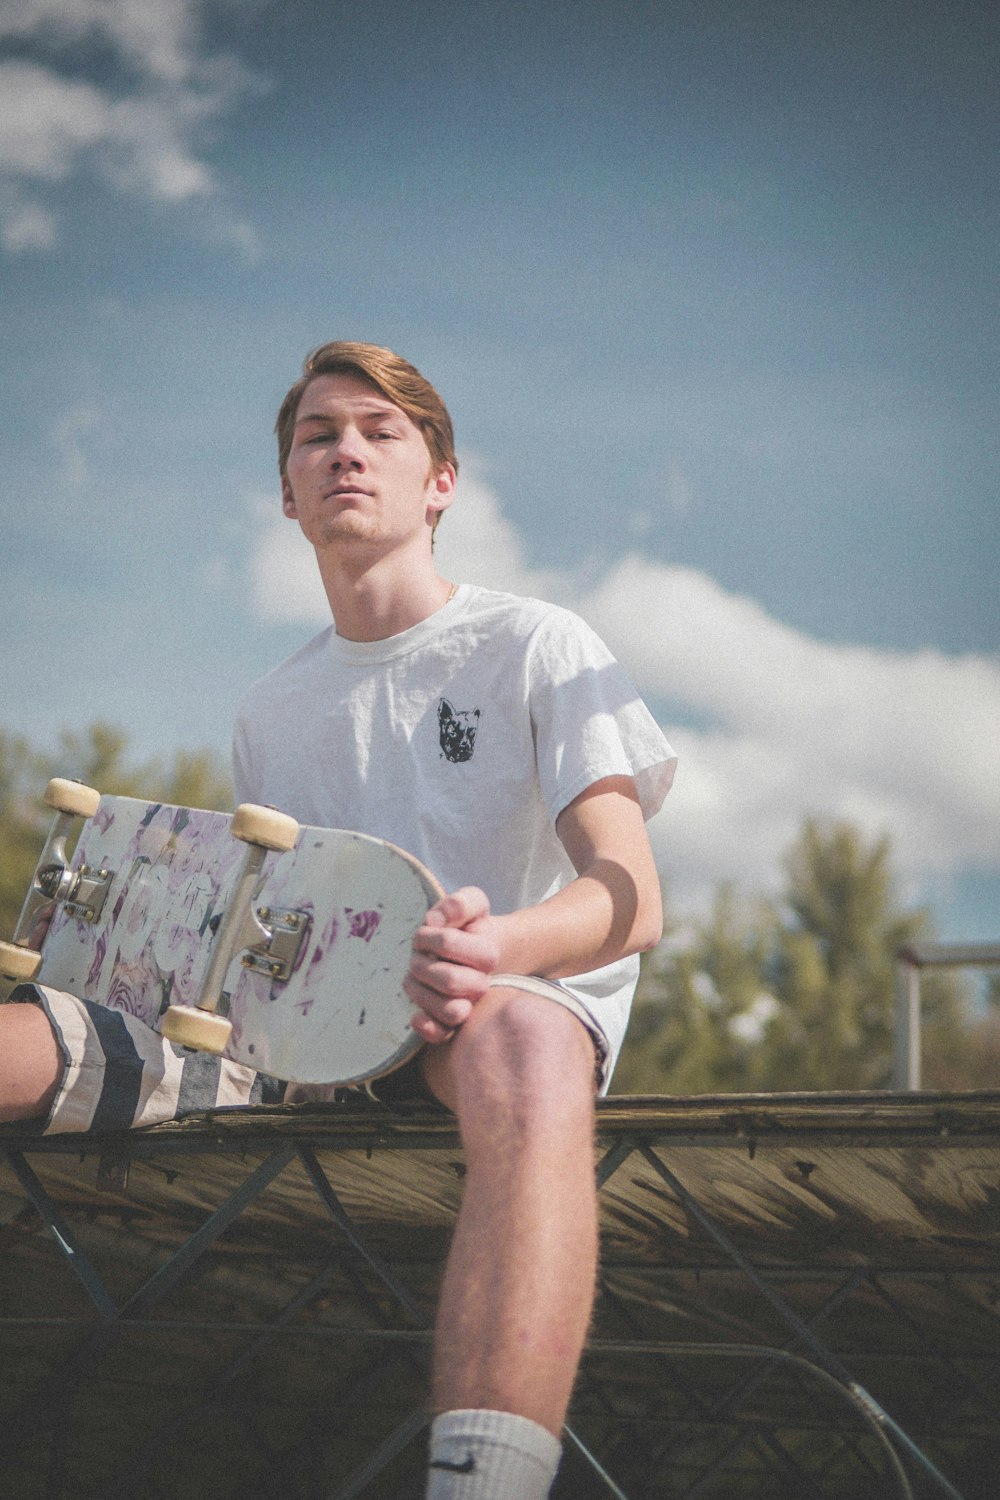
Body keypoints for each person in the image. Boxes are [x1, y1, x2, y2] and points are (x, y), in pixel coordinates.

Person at [1, 342, 676, 1499]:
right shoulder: (272, 709)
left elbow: (630, 895)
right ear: (286, 490)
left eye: (379, 429)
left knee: (522, 1038)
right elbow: (266, 940)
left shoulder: (535, 642)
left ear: (441, 482)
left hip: (479, 1006)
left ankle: (483, 1482)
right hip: (287, 1039)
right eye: (317, 434)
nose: (344, 450)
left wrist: (496, 947)